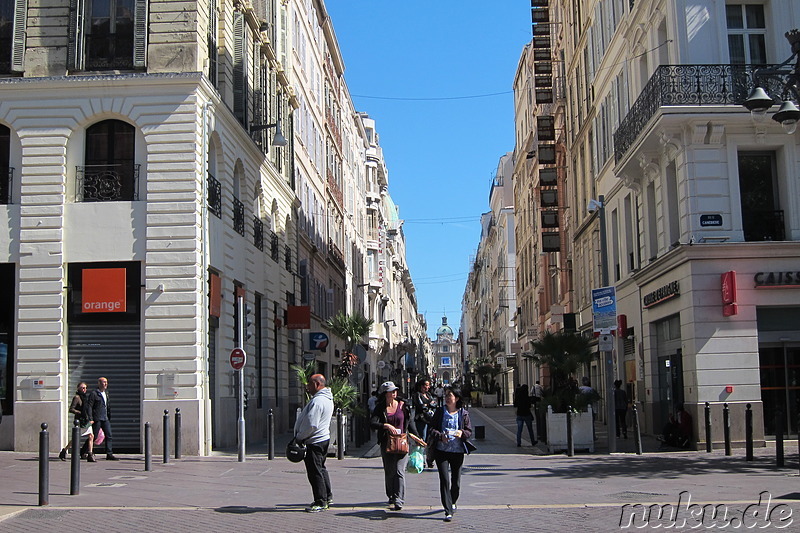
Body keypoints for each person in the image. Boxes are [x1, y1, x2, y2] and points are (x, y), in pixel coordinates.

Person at [370, 381, 423, 511]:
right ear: (385, 394)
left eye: (395, 390)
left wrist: (417, 437)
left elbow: (410, 423)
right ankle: (391, 495)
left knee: (399, 471)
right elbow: (372, 423)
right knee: (389, 472)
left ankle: (399, 499)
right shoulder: (380, 407)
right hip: (386, 442)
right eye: (391, 391)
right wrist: (385, 425)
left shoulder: (403, 406)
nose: (394, 393)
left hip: (402, 442)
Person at [428, 387, 474, 522]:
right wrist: (440, 436)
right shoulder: (440, 412)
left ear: (457, 398)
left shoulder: (463, 414)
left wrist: (462, 433)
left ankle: (453, 501)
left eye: (451, 396)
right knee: (444, 480)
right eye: (447, 396)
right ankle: (448, 510)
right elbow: (431, 429)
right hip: (441, 451)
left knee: (456, 482)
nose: (448, 398)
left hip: (457, 451)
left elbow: (469, 431)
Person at [294, 373, 335, 513]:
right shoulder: (327, 399)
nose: (307, 387)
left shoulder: (318, 402)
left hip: (315, 440)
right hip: (323, 438)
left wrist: (299, 437)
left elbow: (311, 424)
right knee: (321, 469)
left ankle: (320, 501)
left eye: (310, 384)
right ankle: (327, 496)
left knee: (315, 471)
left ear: (317, 384)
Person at [59, 382, 94, 461]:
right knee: (76, 438)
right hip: (80, 420)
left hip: (86, 420)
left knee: (91, 436)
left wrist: (90, 418)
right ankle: (64, 451)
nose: (84, 389)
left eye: (85, 388)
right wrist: (80, 412)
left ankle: (90, 454)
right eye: (82, 388)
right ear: (78, 388)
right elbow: (71, 409)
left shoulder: (85, 398)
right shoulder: (77, 397)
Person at [85, 377, 117, 461]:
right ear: (99, 383)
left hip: (105, 418)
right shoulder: (94, 393)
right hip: (97, 418)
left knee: (109, 435)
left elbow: (107, 406)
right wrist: (90, 417)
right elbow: (90, 406)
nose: (106, 384)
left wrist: (109, 415)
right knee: (94, 436)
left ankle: (109, 454)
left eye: (106, 382)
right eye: (103, 382)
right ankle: (84, 451)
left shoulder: (106, 393)